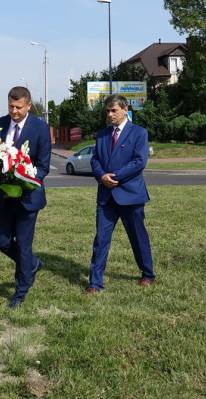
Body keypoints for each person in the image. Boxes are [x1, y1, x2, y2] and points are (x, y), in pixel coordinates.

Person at [0, 86, 52, 308]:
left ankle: (20, 290)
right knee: (1, 241)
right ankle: (32, 265)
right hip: (4, 197)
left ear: (28, 105)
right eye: (10, 106)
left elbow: (44, 166)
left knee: (24, 245)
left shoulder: (41, 128)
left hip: (28, 197)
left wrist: (27, 179)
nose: (14, 111)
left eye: (18, 107)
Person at [87, 94, 155, 293]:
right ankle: (95, 283)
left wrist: (114, 177)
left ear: (125, 110)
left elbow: (139, 162)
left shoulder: (139, 133)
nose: (110, 114)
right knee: (101, 239)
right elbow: (95, 160)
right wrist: (101, 176)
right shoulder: (102, 135)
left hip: (130, 195)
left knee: (137, 236)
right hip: (106, 197)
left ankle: (148, 273)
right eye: (107, 111)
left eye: (114, 110)